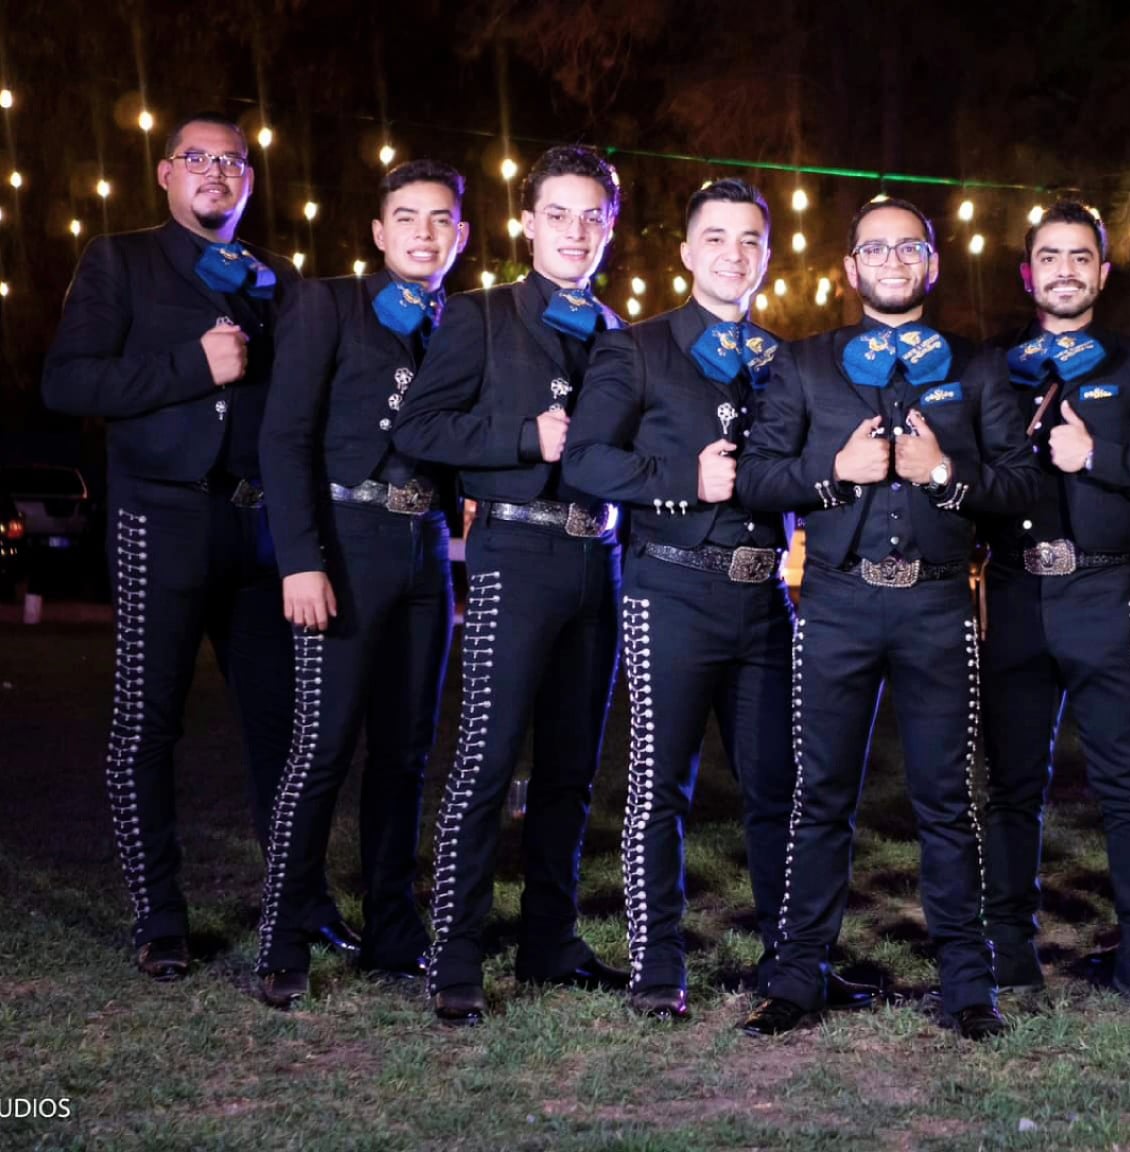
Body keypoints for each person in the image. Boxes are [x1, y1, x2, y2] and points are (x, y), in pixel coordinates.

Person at [41, 111, 348, 980]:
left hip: (258, 530)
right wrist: (190, 365)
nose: (216, 172)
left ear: (250, 178)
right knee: (148, 724)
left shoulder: (279, 278)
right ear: (166, 173)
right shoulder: (120, 260)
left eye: (233, 161)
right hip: (162, 519)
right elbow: (67, 382)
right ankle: (160, 917)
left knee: (284, 730)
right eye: (197, 158)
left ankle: (300, 900)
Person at [564, 178, 878, 1020]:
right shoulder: (636, 347)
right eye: (716, 238)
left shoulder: (788, 359)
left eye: (749, 240)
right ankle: (658, 968)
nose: (733, 254)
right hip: (670, 588)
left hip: (765, 599)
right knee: (660, 787)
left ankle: (790, 963)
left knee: (781, 789)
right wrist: (681, 478)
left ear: (767, 254)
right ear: (686, 251)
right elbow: (585, 460)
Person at [735, 196, 1034, 1040]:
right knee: (821, 794)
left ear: (932, 263)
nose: (893, 261)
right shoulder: (803, 365)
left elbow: (1020, 486)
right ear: (850, 267)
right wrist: (834, 471)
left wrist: (944, 475)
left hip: (938, 602)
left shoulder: (981, 366)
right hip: (837, 602)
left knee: (946, 798)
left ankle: (967, 984)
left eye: (909, 248)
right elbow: (757, 479)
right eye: (875, 249)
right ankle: (798, 975)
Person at [393, 145, 629, 1024]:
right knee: (486, 762)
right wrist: (524, 437)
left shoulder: (619, 331)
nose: (575, 231)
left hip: (598, 561)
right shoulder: (481, 315)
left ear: (610, 226)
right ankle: (455, 955)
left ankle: (549, 941)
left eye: (591, 216)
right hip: (515, 551)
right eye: (557, 214)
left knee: (571, 768)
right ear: (527, 222)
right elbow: (419, 427)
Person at [252, 159, 472, 1007]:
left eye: (440, 218)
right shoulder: (330, 303)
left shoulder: (465, 323)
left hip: (424, 548)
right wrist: (300, 559)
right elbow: (285, 437)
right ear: (379, 233)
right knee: (322, 747)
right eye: (406, 217)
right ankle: (282, 938)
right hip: (344, 542)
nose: (424, 232)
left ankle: (392, 930)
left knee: (406, 752)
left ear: (460, 235)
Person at [979, 201, 1130, 1013]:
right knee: (1011, 783)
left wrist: (1094, 455)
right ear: (1027, 273)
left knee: (1126, 783)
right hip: (1015, 592)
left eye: (1081, 257)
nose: (1065, 270)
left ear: (1102, 274)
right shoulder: (994, 369)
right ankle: (1009, 950)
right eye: (1050, 256)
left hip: (1106, 592)